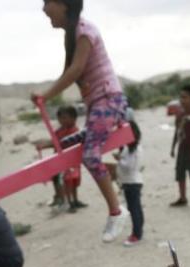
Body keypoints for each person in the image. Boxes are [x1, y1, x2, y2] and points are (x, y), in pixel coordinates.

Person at [33, 0, 128, 243]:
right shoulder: (73, 34)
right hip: (99, 104)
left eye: (47, 2)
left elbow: (75, 70)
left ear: (64, 5)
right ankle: (116, 204)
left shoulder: (85, 31)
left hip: (108, 100)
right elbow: (74, 72)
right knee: (74, 141)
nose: (44, 9)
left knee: (89, 154)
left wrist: (47, 95)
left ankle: (116, 211)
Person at [35, 105, 87, 212]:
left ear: (73, 118)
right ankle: (69, 202)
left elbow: (62, 143)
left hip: (73, 161)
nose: (61, 120)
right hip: (62, 162)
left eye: (64, 118)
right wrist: (43, 145)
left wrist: (46, 145)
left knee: (74, 182)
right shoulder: (59, 131)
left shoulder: (75, 131)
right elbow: (54, 143)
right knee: (67, 182)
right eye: (60, 118)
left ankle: (75, 200)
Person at [115, 121, 145, 246]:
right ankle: (138, 231)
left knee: (134, 209)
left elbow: (130, 167)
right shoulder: (127, 148)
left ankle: (136, 234)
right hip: (128, 182)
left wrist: (119, 160)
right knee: (135, 208)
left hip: (133, 182)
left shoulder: (136, 149)